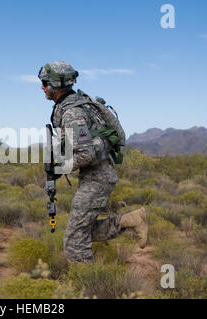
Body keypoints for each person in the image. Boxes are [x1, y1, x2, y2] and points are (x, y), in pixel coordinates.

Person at [38, 61, 148, 262]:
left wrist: (61, 167)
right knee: (82, 232)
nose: (42, 87)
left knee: (74, 241)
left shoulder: (72, 113)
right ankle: (131, 220)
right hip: (97, 176)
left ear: (56, 83)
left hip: (97, 179)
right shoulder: (75, 104)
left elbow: (86, 153)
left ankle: (86, 288)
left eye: (45, 82)